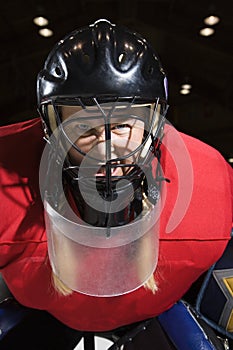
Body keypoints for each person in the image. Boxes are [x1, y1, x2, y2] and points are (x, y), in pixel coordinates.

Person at [0, 19, 232, 349]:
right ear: (52, 127)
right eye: (84, 125)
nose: (105, 148)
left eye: (122, 123)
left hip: (162, 314)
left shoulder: (212, 189)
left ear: (153, 123)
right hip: (43, 316)